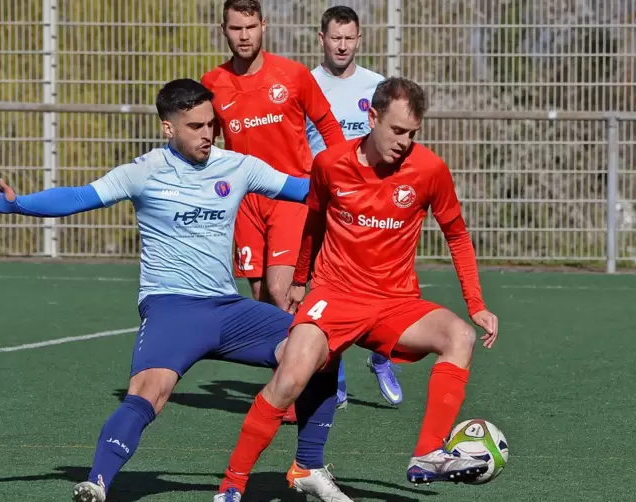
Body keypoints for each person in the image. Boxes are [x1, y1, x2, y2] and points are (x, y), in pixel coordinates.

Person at [0, 78, 347, 502]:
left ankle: (307, 468)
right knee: (149, 393)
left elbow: (306, 190)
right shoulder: (144, 171)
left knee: (319, 346)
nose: (207, 134)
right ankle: (97, 482)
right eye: (195, 126)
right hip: (172, 309)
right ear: (169, 128)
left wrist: (361, 181)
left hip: (228, 308)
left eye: (212, 124)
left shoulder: (238, 166)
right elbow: (80, 196)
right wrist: (14, 204)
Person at [214, 77, 500, 499]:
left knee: (458, 336)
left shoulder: (430, 170)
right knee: (291, 379)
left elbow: (456, 234)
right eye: (397, 130)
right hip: (335, 295)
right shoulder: (329, 163)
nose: (404, 142)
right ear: (373, 117)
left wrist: (475, 303)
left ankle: (426, 454)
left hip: (395, 303)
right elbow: (313, 221)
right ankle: (232, 485)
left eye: (413, 134)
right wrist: (299, 279)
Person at [201, 0, 347, 426]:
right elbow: (203, 141)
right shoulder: (213, 84)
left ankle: (291, 397)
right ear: (224, 30)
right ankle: (296, 380)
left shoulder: (293, 75)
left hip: (289, 198)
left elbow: (329, 127)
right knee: (262, 300)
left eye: (251, 26)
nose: (244, 35)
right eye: (235, 28)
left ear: (264, 26)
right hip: (243, 203)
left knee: (283, 293)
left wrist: (343, 173)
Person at [305, 5, 403, 410]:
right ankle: (336, 371)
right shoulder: (306, 84)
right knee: (327, 290)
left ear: (359, 39)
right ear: (322, 39)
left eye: (349, 38)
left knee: (388, 287)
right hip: (326, 202)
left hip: (373, 205)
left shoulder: (377, 85)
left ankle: (382, 355)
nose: (342, 46)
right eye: (335, 38)